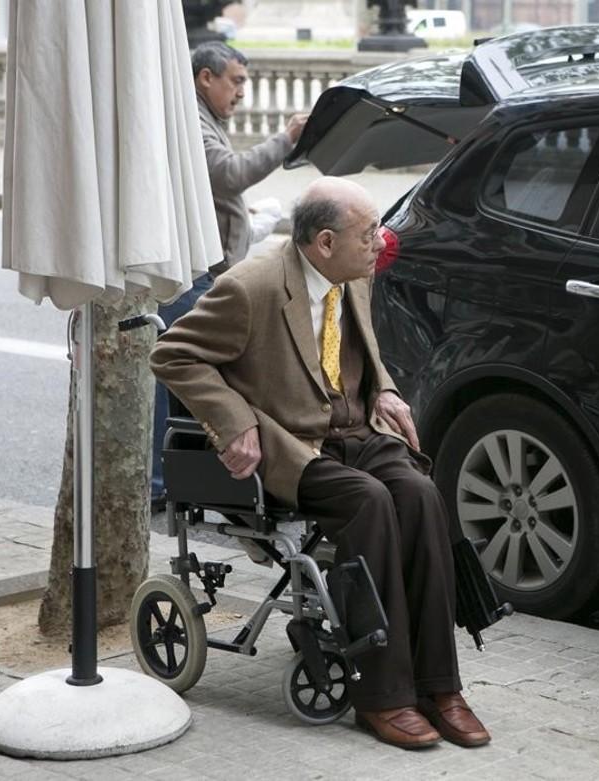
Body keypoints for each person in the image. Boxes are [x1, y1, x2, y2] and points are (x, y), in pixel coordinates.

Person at [150, 177, 490, 751]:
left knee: (422, 494)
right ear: (324, 243)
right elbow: (173, 354)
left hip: (357, 428)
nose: (381, 242)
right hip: (295, 446)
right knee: (370, 503)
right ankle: (381, 695)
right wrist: (237, 421)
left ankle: (440, 686)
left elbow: (363, 346)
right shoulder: (250, 287)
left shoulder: (353, 273)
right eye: (367, 233)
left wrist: (383, 389)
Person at [151, 41, 308, 510]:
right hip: (194, 276)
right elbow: (227, 174)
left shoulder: (206, 119)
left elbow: (217, 192)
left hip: (209, 270)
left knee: (190, 377)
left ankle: (184, 478)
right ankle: (164, 482)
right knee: (184, 375)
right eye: (236, 80)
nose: (241, 91)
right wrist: (285, 140)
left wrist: (246, 220)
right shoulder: (196, 122)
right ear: (206, 77)